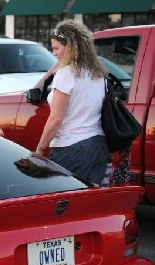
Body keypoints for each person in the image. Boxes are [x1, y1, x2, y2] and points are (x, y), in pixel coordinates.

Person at [33, 20, 109, 186]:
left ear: (71, 47)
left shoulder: (67, 73)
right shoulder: (97, 72)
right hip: (98, 145)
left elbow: (56, 119)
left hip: (71, 147)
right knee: (89, 205)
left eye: (56, 48)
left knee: (62, 200)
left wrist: (39, 149)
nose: (54, 53)